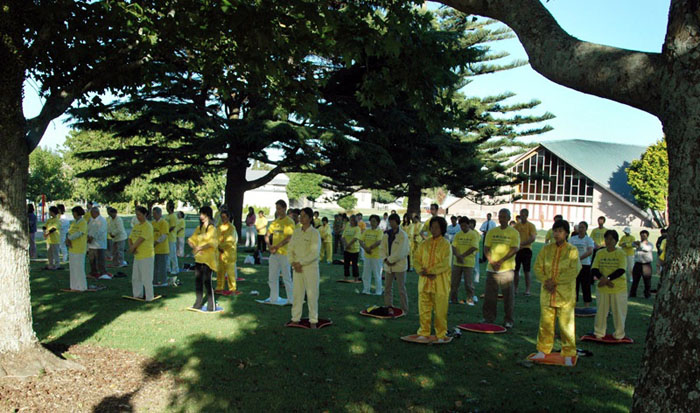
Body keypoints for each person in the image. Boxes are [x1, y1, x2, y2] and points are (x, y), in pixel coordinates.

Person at [531, 219, 580, 366]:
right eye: (555, 231)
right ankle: (543, 350)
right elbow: (537, 267)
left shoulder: (572, 250)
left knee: (566, 325)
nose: (557, 234)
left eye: (560, 231)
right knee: (545, 323)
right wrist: (546, 281)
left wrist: (555, 281)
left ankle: (568, 352)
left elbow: (574, 271)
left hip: (565, 294)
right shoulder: (546, 249)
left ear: (566, 233)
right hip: (547, 292)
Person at [413, 217, 452, 342]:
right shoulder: (424, 244)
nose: (434, 230)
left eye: (437, 227)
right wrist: (421, 270)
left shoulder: (446, 245)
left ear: (442, 229)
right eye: (432, 227)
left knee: (440, 310)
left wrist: (430, 271)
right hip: (424, 282)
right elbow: (416, 259)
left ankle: (441, 334)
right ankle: (424, 332)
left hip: (440, 283)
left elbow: (446, 263)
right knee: (424, 308)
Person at [483, 208, 520, 328]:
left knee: (508, 297)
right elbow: (486, 248)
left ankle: (508, 320)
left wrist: (501, 261)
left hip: (506, 269)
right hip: (491, 269)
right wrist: (491, 261)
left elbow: (515, 248)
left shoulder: (514, 233)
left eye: (504, 217)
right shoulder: (492, 232)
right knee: (490, 296)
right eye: (500, 216)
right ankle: (489, 318)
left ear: (509, 218)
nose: (502, 219)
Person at [287, 207, 322, 328]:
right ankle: (295, 318)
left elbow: (314, 253)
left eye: (304, 216)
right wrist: (293, 263)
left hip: (310, 268)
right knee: (297, 294)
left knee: (312, 294)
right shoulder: (296, 232)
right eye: (300, 216)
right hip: (297, 268)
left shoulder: (315, 233)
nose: (301, 218)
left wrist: (300, 263)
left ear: (310, 218)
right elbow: (290, 249)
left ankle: (313, 320)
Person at [592, 230, 628, 340]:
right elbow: (594, 269)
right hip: (603, 287)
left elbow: (621, 270)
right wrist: (603, 279)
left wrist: (607, 279)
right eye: (607, 238)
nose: (609, 241)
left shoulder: (621, 253)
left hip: (618, 287)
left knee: (618, 312)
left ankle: (619, 334)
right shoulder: (600, 253)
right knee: (601, 312)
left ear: (616, 241)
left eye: (611, 239)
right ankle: (599, 333)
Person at [188, 206, 219, 310]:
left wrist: (200, 248)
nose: (201, 216)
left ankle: (211, 305)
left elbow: (212, 243)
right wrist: (195, 247)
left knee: (207, 282)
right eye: (200, 214)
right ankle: (198, 303)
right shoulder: (199, 228)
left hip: (208, 260)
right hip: (199, 259)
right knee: (198, 281)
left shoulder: (212, 229)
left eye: (203, 214)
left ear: (208, 215)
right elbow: (190, 240)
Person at [265, 200, 295, 304]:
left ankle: (291, 299)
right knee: (272, 277)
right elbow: (267, 235)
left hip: (284, 253)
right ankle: (273, 298)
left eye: (279, 208)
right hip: (274, 253)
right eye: (276, 208)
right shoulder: (275, 222)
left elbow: (289, 237)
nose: (278, 211)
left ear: (284, 208)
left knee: (287, 277)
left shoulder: (289, 222)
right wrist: (269, 246)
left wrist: (277, 246)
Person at [380, 213, 410, 315]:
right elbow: (382, 248)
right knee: (387, 287)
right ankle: (388, 306)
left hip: (399, 266)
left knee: (401, 288)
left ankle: (404, 309)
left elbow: (402, 251)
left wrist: (391, 260)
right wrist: (385, 259)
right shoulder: (386, 234)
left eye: (393, 221)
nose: (391, 223)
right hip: (388, 265)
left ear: (397, 222)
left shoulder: (403, 235)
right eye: (390, 221)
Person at [450, 216, 480, 305]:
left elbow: (474, 247)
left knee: (468, 283)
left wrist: (462, 256)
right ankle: (453, 299)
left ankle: (470, 299)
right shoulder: (458, 234)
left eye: (465, 226)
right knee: (454, 282)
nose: (463, 228)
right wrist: (458, 256)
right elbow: (454, 246)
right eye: (461, 226)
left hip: (468, 263)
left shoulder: (473, 234)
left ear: (468, 225)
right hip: (457, 262)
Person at [129, 206, 155, 300]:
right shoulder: (136, 226)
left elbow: (141, 239)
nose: (138, 217)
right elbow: (130, 238)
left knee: (146, 278)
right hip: (137, 256)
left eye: (139, 215)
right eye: (136, 215)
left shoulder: (148, 226)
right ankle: (137, 295)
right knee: (136, 277)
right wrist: (132, 247)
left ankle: (149, 296)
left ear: (145, 214)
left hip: (146, 255)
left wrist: (133, 247)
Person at [569, 221, 595, 308]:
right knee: (574, 285)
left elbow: (590, 251)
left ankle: (586, 305)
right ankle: (574, 305)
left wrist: (579, 258)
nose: (581, 229)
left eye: (583, 227)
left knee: (586, 285)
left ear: (586, 229)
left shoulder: (589, 239)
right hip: (574, 265)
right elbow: (568, 249)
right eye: (579, 227)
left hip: (585, 265)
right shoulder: (573, 239)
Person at [513, 208, 537, 295]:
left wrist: (522, 244)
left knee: (526, 271)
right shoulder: (516, 226)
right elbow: (513, 236)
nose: (522, 217)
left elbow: (533, 238)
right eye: (521, 215)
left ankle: (527, 290)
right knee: (516, 270)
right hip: (517, 250)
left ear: (527, 216)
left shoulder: (531, 226)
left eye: (523, 215)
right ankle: (515, 288)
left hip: (527, 250)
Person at [215, 210, 238, 296]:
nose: (223, 219)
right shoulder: (219, 228)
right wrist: (218, 246)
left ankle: (232, 289)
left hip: (229, 253)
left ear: (228, 217)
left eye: (224, 217)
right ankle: (219, 287)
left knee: (230, 272)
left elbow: (231, 241)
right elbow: (216, 238)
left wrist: (221, 246)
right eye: (222, 217)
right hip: (220, 253)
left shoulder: (232, 228)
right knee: (220, 271)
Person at [360, 215, 384, 295]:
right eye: (371, 221)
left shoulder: (379, 231)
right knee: (366, 274)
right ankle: (366, 290)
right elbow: (361, 240)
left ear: (378, 223)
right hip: (367, 256)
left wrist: (369, 248)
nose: (372, 223)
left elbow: (379, 241)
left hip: (376, 256)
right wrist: (365, 248)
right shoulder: (367, 231)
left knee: (377, 274)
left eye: (374, 221)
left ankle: (378, 291)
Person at [65, 206, 88, 291]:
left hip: (80, 248)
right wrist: (67, 239)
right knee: (73, 268)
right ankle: (74, 286)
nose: (73, 214)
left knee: (79, 268)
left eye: (74, 213)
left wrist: (69, 238)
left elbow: (79, 233)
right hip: (72, 248)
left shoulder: (83, 222)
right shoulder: (74, 222)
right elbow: (69, 232)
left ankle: (82, 286)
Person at [630, 230, 654, 298]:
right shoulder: (638, 243)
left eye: (644, 236)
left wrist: (640, 244)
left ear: (647, 236)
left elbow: (646, 249)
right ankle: (632, 294)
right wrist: (635, 243)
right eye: (641, 235)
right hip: (637, 264)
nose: (642, 237)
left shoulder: (650, 244)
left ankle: (647, 295)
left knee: (647, 281)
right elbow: (632, 245)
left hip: (646, 264)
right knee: (635, 280)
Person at [87, 207, 108, 278]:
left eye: (92, 213)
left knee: (100, 259)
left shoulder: (102, 220)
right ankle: (94, 272)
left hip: (99, 243)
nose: (91, 214)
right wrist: (88, 236)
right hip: (91, 244)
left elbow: (100, 231)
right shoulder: (91, 220)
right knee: (92, 259)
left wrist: (92, 237)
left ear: (97, 213)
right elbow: (88, 229)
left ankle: (102, 272)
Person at [151, 207, 170, 287]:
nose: (153, 215)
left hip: (162, 249)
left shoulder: (164, 223)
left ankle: (163, 281)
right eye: (153, 213)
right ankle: (154, 281)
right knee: (154, 267)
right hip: (154, 249)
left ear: (159, 214)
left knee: (162, 266)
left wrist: (156, 242)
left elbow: (164, 235)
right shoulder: (152, 223)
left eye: (155, 213)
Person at [341, 214, 361, 281]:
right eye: (350, 220)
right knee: (346, 264)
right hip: (346, 249)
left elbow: (356, 238)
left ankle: (356, 277)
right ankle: (346, 277)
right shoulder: (347, 227)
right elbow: (343, 236)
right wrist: (346, 244)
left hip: (354, 250)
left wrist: (349, 244)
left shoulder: (357, 228)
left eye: (353, 220)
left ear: (355, 221)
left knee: (354, 264)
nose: (351, 222)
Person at [166, 201, 179, 276]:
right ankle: (168, 268)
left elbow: (172, 227)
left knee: (172, 254)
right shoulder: (167, 216)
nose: (166, 207)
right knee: (167, 254)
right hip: (167, 238)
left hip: (171, 238)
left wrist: (166, 232)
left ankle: (175, 269)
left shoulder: (173, 216)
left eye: (167, 206)